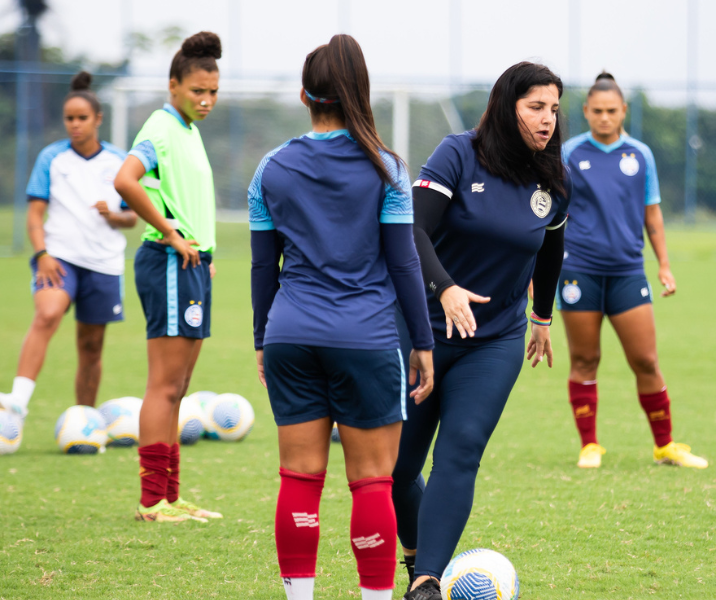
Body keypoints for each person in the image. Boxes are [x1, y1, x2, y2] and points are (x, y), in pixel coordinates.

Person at [248, 35, 434, 600]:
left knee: (299, 479)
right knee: (373, 483)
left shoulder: (270, 169)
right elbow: (404, 264)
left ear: (306, 95)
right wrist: (423, 342)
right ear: (360, 92)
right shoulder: (387, 168)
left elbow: (262, 267)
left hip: (289, 335)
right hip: (366, 339)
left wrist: (262, 338)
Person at [393, 61, 570, 600]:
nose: (547, 120)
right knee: (397, 468)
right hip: (423, 330)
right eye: (535, 107)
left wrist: (541, 317)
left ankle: (426, 582)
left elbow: (551, 251)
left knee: (461, 449)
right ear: (506, 105)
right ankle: (416, 557)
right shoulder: (457, 153)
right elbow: (412, 228)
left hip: (494, 340)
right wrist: (445, 287)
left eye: (555, 109)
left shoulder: (554, 179)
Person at [559, 72, 707, 470]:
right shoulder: (569, 153)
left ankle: (665, 446)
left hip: (627, 272)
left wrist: (664, 265)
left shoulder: (640, 154)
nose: (604, 118)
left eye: (612, 111)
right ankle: (589, 445)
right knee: (585, 359)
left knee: (645, 360)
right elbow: (551, 212)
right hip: (578, 271)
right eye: (597, 111)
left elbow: (652, 212)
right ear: (586, 112)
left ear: (623, 111)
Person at [114, 31, 224, 523]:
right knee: (164, 385)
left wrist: (205, 247)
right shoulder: (160, 128)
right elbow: (124, 180)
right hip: (168, 263)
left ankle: (171, 496)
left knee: (178, 387)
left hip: (193, 266)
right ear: (174, 85)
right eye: (197, 90)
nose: (206, 100)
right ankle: (151, 502)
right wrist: (173, 234)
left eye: (213, 91)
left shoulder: (188, 130)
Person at [0, 72, 136, 420]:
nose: (74, 125)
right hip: (59, 258)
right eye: (69, 118)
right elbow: (34, 216)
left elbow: (132, 216)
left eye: (82, 118)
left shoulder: (119, 160)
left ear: (98, 119)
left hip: (104, 263)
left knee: (90, 347)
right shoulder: (52, 158)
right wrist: (42, 254)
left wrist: (114, 216)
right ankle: (17, 401)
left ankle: (84, 420)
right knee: (47, 314)